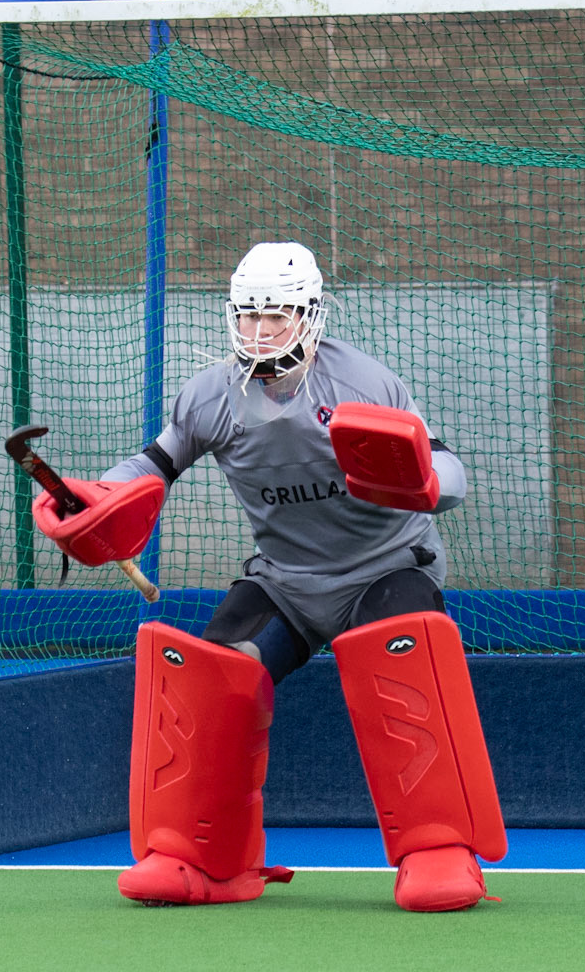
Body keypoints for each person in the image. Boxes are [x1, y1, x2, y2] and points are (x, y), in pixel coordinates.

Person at [34, 241, 506, 913]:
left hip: (387, 567)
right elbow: (152, 465)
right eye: (249, 315)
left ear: (309, 316)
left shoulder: (362, 384)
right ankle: (205, 862)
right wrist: (95, 498)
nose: (260, 331)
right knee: (213, 681)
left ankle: (440, 851)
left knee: (405, 671)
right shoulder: (210, 396)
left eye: (277, 316)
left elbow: (444, 463)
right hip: (287, 581)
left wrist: (429, 482)